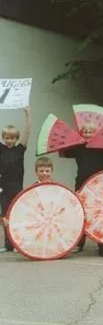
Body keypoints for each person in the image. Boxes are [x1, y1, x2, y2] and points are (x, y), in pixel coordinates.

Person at [60, 122, 103, 253]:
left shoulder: (101, 147)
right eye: (84, 132)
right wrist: (69, 139)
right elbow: (62, 153)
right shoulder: (78, 148)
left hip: (98, 184)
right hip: (81, 183)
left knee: (98, 213)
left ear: (96, 134)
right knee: (80, 213)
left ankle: (101, 243)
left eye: (90, 132)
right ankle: (79, 244)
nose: (87, 134)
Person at [0, 105, 31, 253]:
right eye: (6, 137)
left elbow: (27, 132)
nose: (9, 140)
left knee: (18, 216)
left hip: (17, 187)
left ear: (16, 138)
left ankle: (18, 244)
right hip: (3, 188)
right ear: (3, 137)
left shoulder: (20, 149)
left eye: (12, 137)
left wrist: (28, 115)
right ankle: (8, 245)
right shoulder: (1, 148)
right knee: (6, 216)